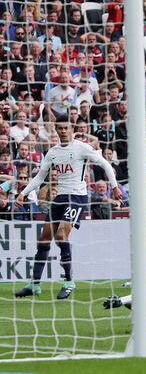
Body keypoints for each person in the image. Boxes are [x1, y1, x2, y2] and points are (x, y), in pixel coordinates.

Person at [14, 115, 122, 300]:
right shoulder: (53, 152)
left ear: (72, 129)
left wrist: (114, 187)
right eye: (60, 128)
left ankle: (69, 281)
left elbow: (104, 163)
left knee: (62, 235)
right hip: (60, 197)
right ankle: (34, 284)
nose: (63, 131)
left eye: (66, 128)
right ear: (56, 129)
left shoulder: (81, 147)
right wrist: (23, 193)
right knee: (44, 238)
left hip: (77, 197)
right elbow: (40, 177)